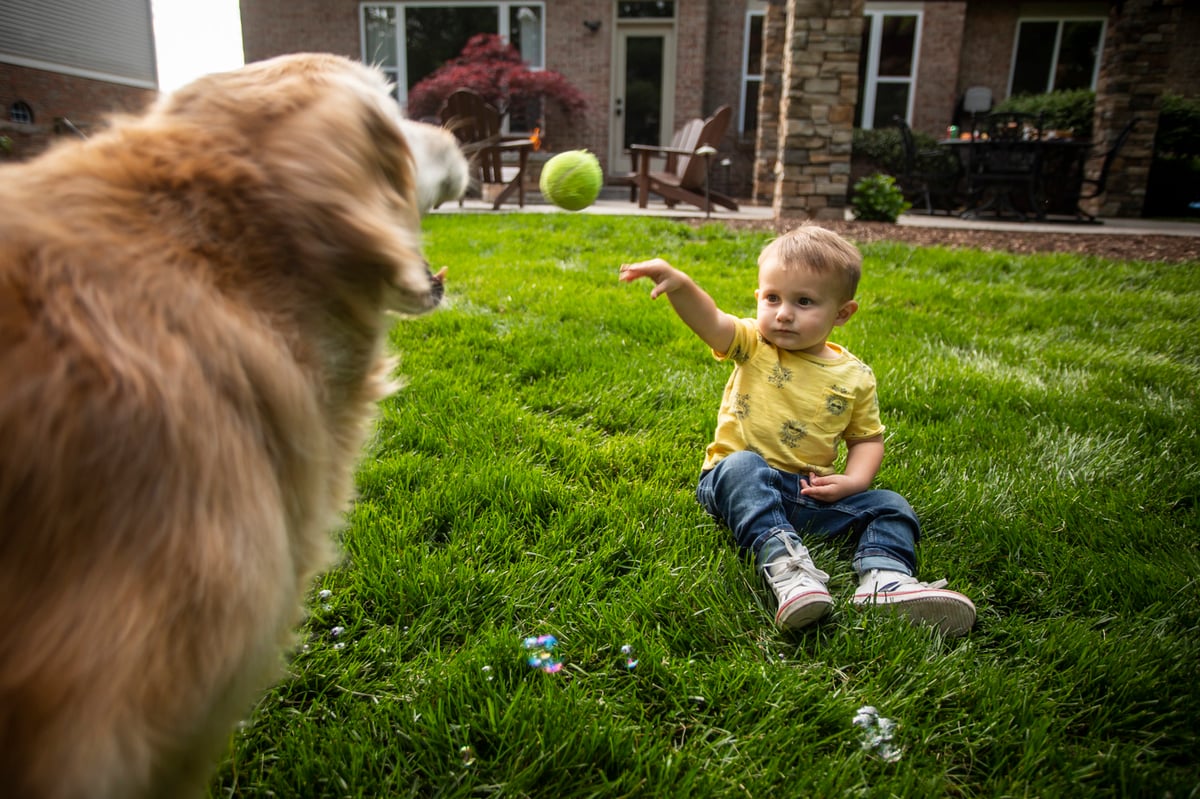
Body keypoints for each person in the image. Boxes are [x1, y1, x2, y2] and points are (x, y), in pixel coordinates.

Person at [618, 225, 975, 637]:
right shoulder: (755, 344)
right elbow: (711, 321)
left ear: (842, 313)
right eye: (773, 298)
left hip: (806, 492)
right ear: (758, 298)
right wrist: (679, 284)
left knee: (890, 504)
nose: (784, 313)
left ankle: (884, 579)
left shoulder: (855, 376)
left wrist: (853, 482)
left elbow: (866, 440)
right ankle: (789, 571)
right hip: (736, 484)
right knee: (741, 465)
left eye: (804, 302)